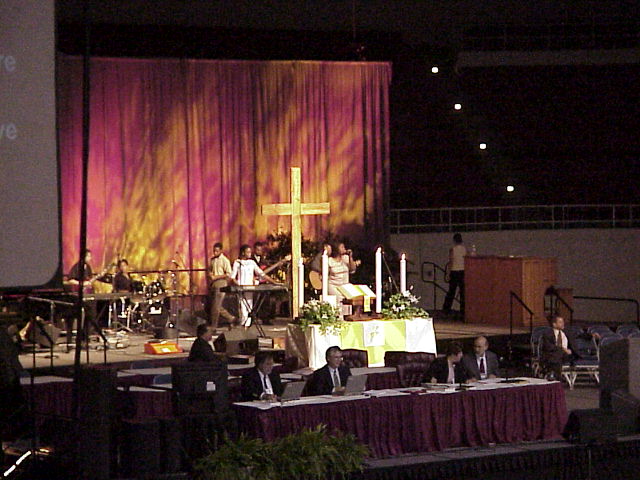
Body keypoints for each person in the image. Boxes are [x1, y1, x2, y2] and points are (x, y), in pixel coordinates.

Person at [230, 244, 280, 328]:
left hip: (250, 288)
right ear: (243, 253)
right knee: (242, 308)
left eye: (250, 252)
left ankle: (247, 326)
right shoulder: (237, 262)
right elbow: (232, 277)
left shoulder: (252, 262)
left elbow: (262, 274)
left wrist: (274, 282)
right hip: (241, 288)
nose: (250, 253)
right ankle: (243, 325)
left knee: (250, 307)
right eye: (248, 252)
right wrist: (238, 284)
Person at [207, 242, 236, 329]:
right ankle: (230, 318)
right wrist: (210, 275)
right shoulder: (212, 260)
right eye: (214, 251)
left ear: (221, 251)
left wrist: (217, 277)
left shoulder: (225, 260)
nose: (215, 253)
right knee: (215, 305)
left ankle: (214, 326)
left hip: (221, 283)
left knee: (216, 306)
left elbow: (228, 273)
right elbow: (210, 270)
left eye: (217, 251)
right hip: (213, 283)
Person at [540, 314, 578, 381]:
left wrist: (592, 335)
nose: (563, 324)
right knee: (557, 354)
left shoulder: (567, 332)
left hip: (566, 355)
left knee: (557, 355)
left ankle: (552, 373)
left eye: (563, 322)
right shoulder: (547, 334)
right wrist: (563, 349)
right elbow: (548, 346)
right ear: (554, 324)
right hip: (552, 354)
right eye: (560, 322)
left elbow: (579, 335)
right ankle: (557, 377)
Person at [442, 233, 467, 317]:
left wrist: (448, 273)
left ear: (454, 240)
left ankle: (446, 309)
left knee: (451, 292)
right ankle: (463, 311)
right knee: (463, 292)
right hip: (462, 272)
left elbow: (451, 262)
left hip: (454, 271)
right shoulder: (464, 250)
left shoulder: (452, 250)